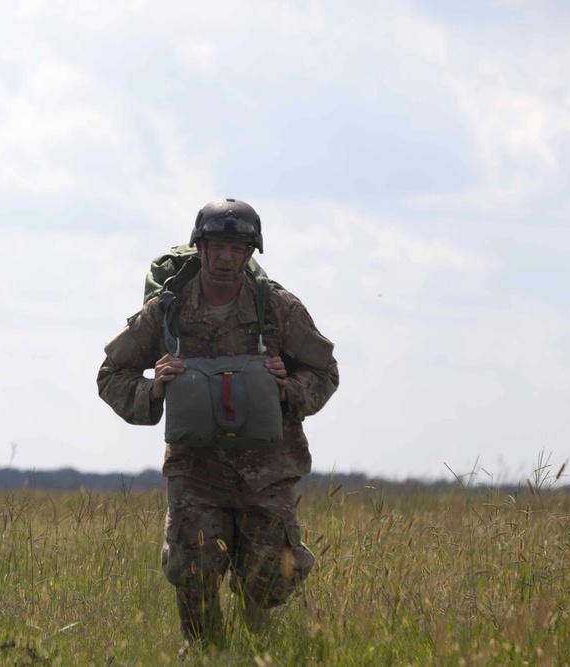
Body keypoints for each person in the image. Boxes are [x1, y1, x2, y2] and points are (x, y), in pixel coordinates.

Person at [97, 198, 339, 655]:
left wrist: (290, 390)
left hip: (268, 468)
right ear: (200, 248)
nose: (226, 257)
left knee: (271, 579)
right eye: (217, 247)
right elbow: (111, 374)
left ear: (251, 253)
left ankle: (254, 645)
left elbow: (325, 372)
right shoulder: (167, 312)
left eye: (237, 247)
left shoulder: (278, 309)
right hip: (196, 471)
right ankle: (208, 655)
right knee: (193, 571)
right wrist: (153, 391)